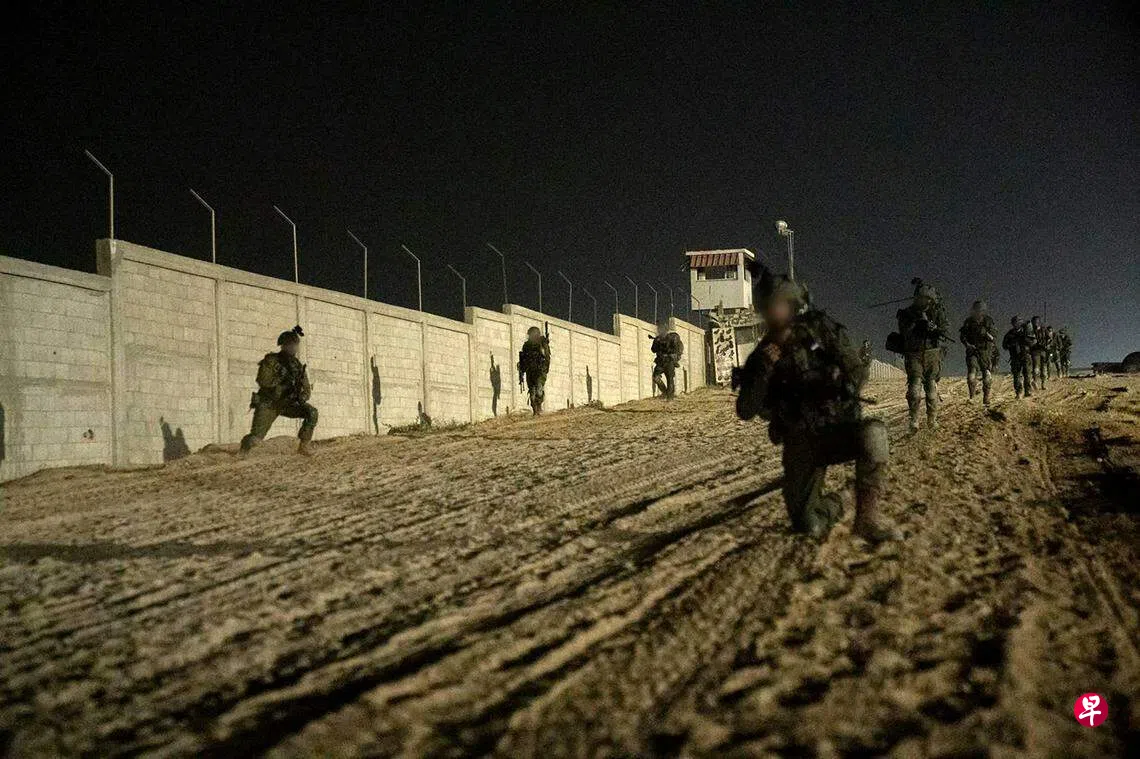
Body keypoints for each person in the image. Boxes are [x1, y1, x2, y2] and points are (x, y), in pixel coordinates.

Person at [735, 264, 898, 543]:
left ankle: (867, 519)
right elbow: (746, 410)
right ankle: (843, 498)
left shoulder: (822, 333)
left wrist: (838, 384)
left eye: (778, 305)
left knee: (874, 434)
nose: (772, 312)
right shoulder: (763, 355)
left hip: (835, 429)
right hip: (800, 442)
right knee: (809, 525)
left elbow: (857, 371)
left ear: (791, 305)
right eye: (768, 307)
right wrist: (763, 371)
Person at [240, 326, 318, 456]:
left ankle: (304, 446)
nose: (294, 348)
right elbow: (262, 381)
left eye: (295, 345)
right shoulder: (271, 361)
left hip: (288, 404)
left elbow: (306, 388)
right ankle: (243, 450)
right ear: (283, 346)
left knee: (312, 412)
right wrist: (281, 382)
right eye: (291, 345)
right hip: (269, 404)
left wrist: (302, 397)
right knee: (256, 439)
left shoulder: (297, 366)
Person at [897, 279, 949, 432]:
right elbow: (904, 332)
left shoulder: (937, 313)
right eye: (922, 298)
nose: (925, 302)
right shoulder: (907, 313)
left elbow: (945, 331)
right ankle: (914, 420)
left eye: (928, 299)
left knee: (931, 391)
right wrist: (917, 324)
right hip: (914, 354)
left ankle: (932, 420)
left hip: (932, 354)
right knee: (914, 391)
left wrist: (935, 328)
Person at [959, 300, 997, 405]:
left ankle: (986, 398)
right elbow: (962, 336)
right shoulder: (968, 322)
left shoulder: (988, 321)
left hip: (985, 351)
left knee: (987, 376)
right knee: (971, 376)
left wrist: (986, 333)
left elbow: (993, 337)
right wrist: (967, 345)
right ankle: (972, 397)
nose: (978, 312)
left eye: (980, 310)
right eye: (977, 309)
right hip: (973, 350)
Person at [518, 326, 551, 415]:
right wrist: (522, 369)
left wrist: (546, 368)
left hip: (540, 371)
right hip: (530, 371)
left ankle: (539, 407)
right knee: (532, 392)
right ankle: (535, 411)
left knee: (539, 391)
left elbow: (547, 356)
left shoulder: (542, 343)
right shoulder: (526, 345)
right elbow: (523, 358)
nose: (530, 336)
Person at [650, 323, 685, 399]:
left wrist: (673, 355)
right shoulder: (658, 339)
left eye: (661, 329)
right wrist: (657, 341)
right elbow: (653, 350)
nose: (659, 330)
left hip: (669, 361)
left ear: (666, 330)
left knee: (670, 379)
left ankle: (670, 398)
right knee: (655, 377)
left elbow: (677, 349)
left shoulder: (673, 338)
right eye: (659, 329)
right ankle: (665, 392)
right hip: (660, 362)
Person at [1002, 316, 1032, 398]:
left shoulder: (1026, 332)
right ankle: (1018, 392)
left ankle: (1027, 391)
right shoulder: (1009, 334)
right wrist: (1012, 344)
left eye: (1018, 322)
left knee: (1027, 374)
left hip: (1025, 355)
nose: (1016, 324)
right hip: (1015, 357)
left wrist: (1025, 340)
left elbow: (1033, 342)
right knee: (1016, 375)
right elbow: (1004, 346)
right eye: (1015, 322)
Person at [1028, 316, 1047, 389]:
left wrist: (1047, 345)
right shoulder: (1030, 331)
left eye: (1037, 321)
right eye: (1034, 321)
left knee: (1044, 368)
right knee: (1036, 367)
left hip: (1043, 351)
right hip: (1035, 351)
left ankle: (1043, 383)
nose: (1035, 323)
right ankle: (1035, 381)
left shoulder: (1043, 330)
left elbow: (1049, 338)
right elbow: (1028, 340)